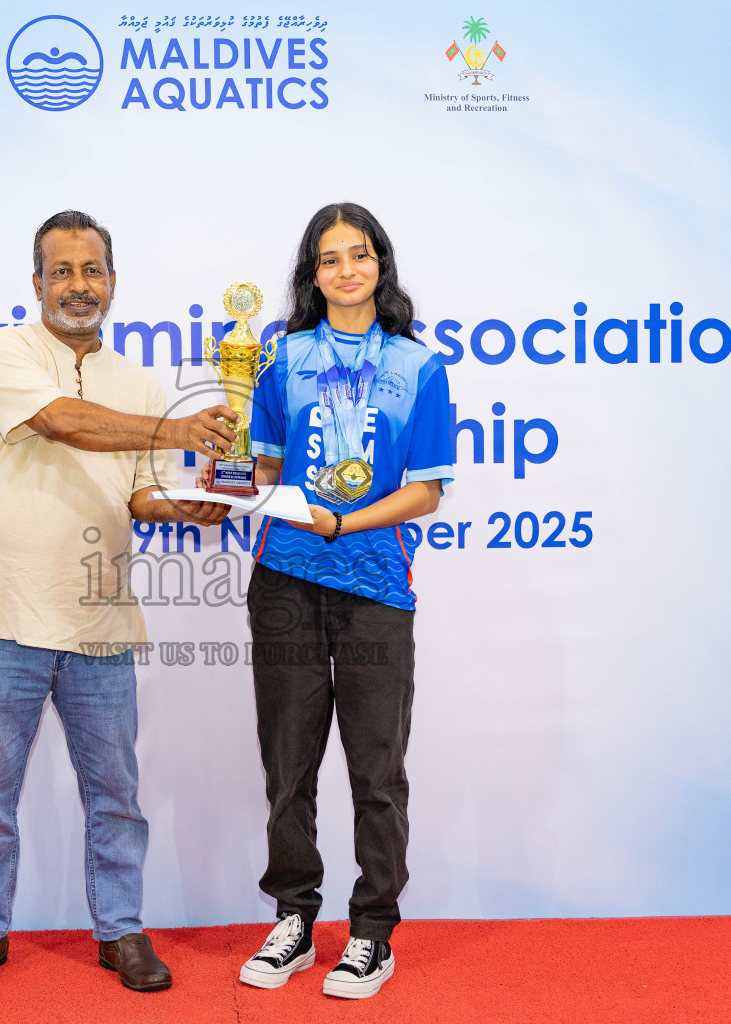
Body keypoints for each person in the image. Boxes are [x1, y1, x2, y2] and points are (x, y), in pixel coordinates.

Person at [0, 210, 234, 994]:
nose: (79, 285)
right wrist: (174, 427)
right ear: (36, 283)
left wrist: (187, 508)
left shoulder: (135, 379)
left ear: (113, 282)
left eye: (92, 270)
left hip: (101, 620)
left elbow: (135, 492)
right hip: (6, 616)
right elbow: (60, 422)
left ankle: (121, 931)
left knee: (117, 795)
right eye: (62, 271)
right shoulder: (6, 352)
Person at [228, 203, 454, 999]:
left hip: (376, 589)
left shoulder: (420, 367)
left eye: (360, 255)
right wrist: (229, 488)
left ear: (379, 265)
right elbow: (261, 472)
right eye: (330, 259)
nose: (346, 270)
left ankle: (371, 933)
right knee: (288, 767)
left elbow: (425, 492)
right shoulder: (280, 359)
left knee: (376, 771)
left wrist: (344, 521)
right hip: (286, 583)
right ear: (312, 274)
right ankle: (292, 920)